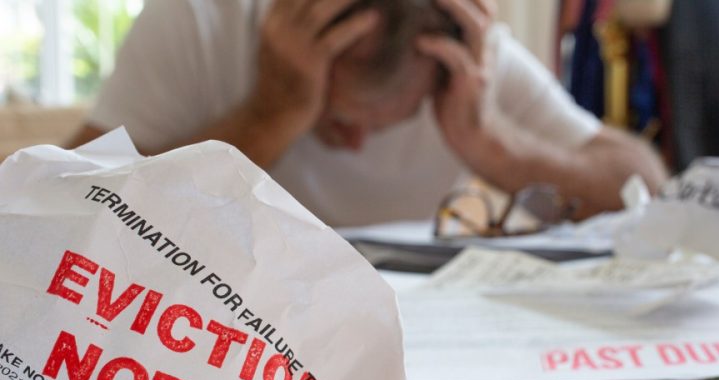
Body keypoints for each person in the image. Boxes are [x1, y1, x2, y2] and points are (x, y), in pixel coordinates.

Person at [67, 0, 667, 227]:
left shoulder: (470, 62)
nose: (352, 145)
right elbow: (57, 205)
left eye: (384, 118)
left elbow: (648, 189)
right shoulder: (197, 19)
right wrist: (271, 113)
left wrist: (495, 143)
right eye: (332, 114)